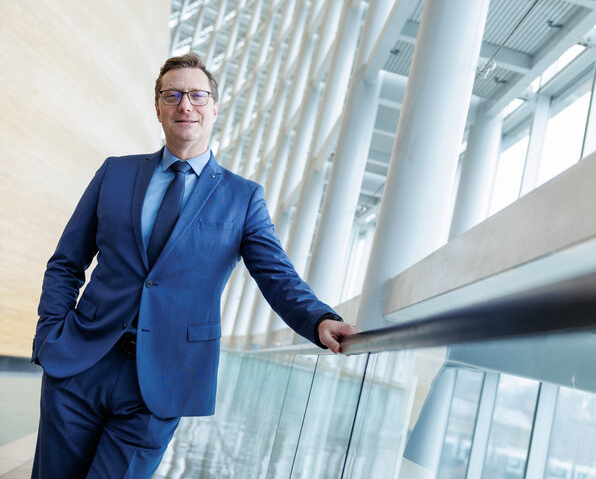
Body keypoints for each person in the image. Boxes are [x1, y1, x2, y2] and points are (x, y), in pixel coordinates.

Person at [30, 53, 359, 478]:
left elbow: (277, 276)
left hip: (162, 381)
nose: (186, 105)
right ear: (159, 109)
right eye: (173, 95)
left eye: (198, 95)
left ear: (215, 107)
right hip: (80, 362)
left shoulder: (243, 198)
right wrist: (49, 335)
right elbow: (66, 262)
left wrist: (319, 320)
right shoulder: (115, 173)